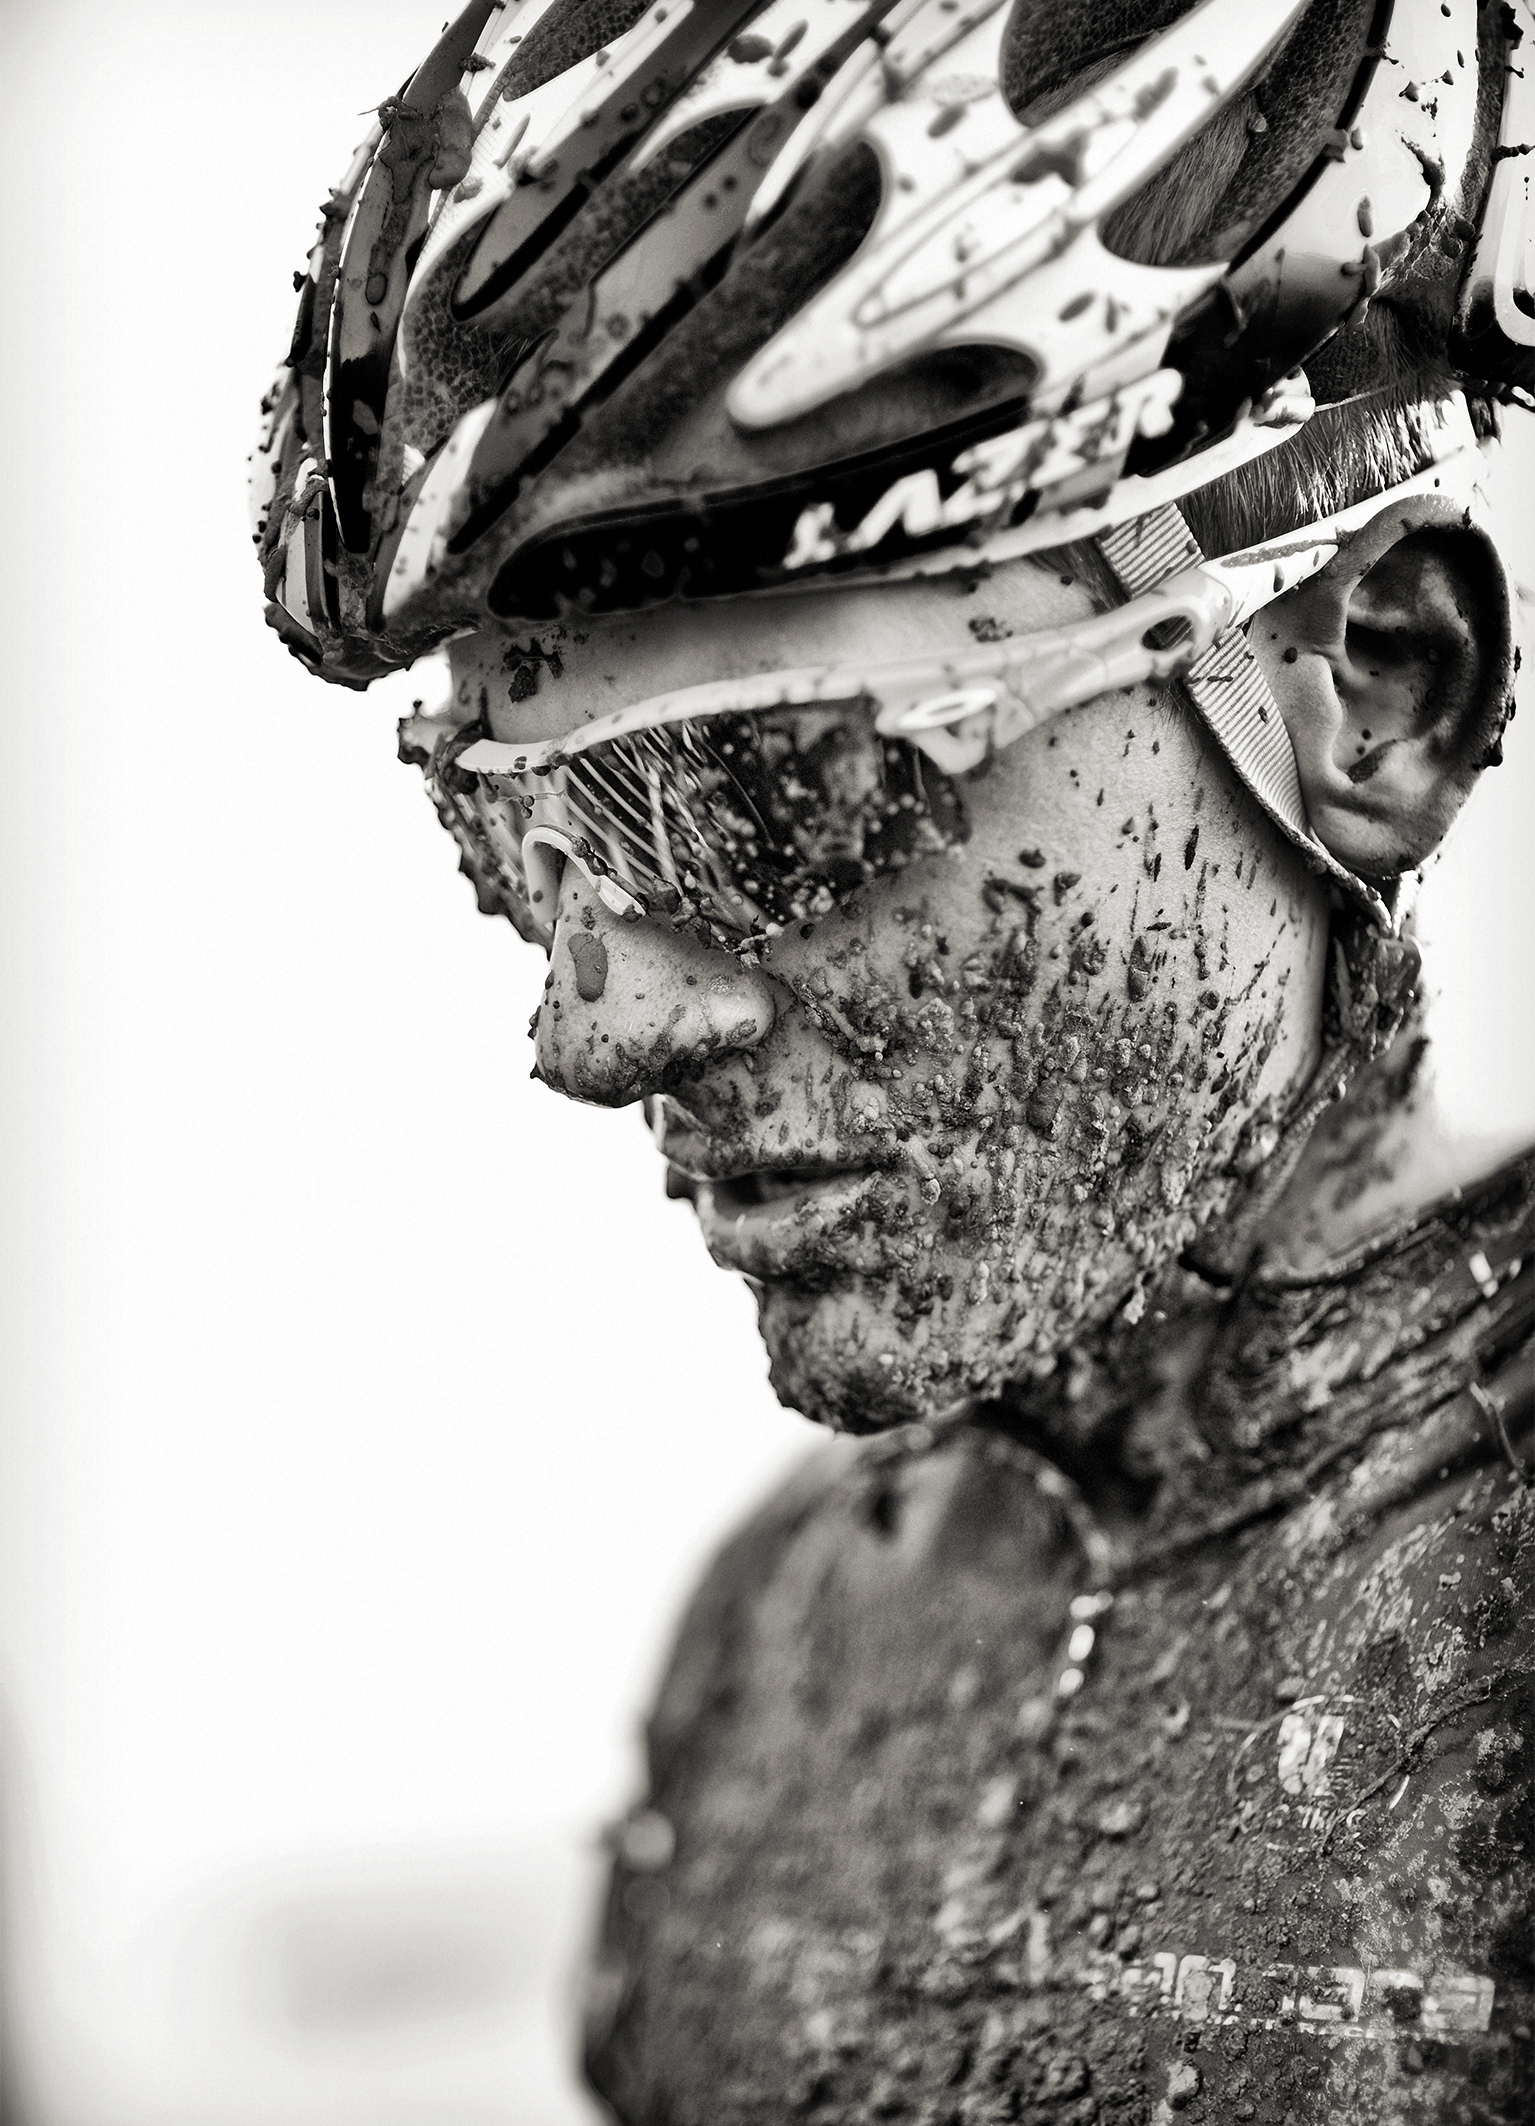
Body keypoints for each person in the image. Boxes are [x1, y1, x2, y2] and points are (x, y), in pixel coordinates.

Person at [252, 0, 1533, 2116]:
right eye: (517, 841)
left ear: (1378, 691)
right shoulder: (780, 1640)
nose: (595, 1027)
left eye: (755, 802)